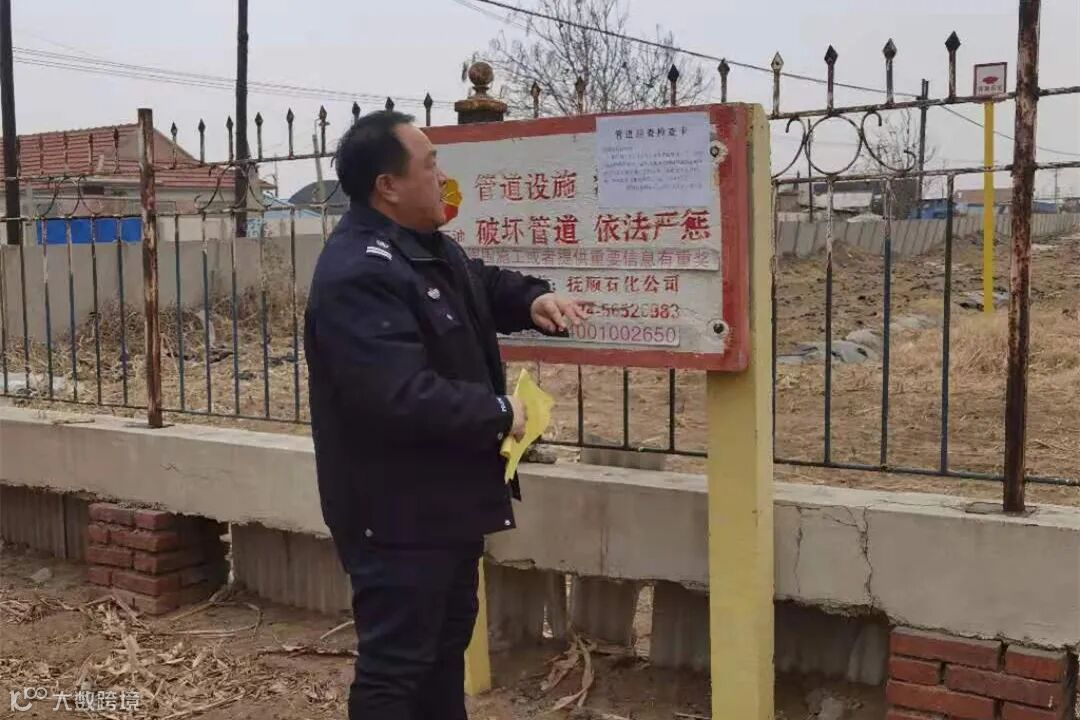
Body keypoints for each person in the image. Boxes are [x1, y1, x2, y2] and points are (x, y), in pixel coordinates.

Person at [303, 110, 585, 720]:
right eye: (430, 165)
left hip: (443, 504)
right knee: (397, 667)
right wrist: (500, 411)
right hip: (394, 515)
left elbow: (477, 283)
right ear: (388, 186)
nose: (442, 176)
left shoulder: (425, 249)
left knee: (441, 650)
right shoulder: (358, 272)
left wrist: (532, 298)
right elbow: (397, 394)